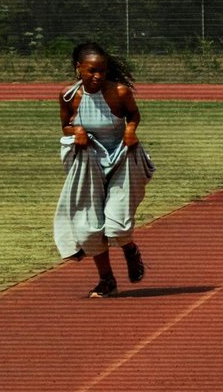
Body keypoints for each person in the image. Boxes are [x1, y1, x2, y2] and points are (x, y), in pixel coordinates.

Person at [54, 40, 152, 298]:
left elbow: (134, 115)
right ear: (79, 68)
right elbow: (64, 125)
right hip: (89, 162)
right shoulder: (69, 96)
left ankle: (129, 248)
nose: (97, 76)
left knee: (117, 227)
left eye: (102, 71)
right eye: (91, 71)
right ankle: (106, 280)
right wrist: (76, 131)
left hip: (122, 158)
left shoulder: (119, 92)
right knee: (88, 227)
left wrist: (130, 130)